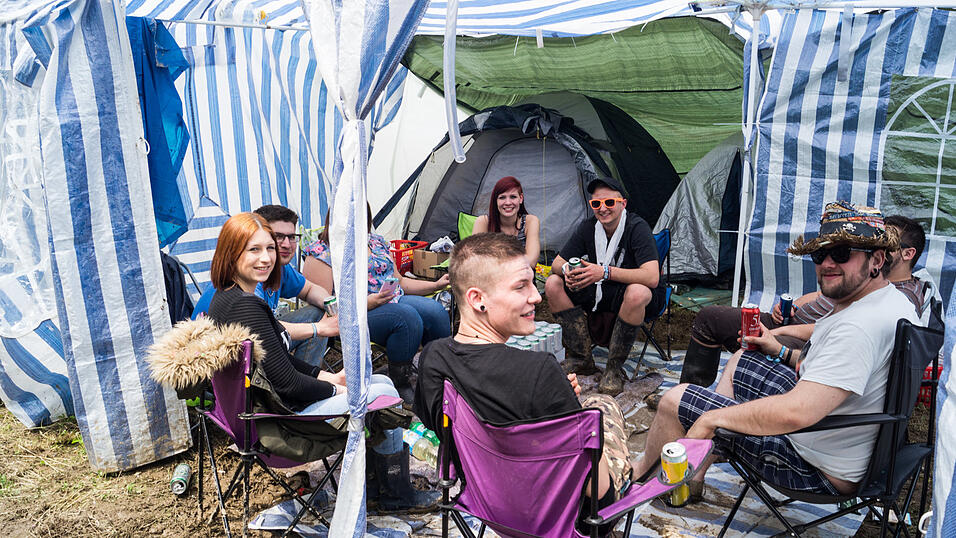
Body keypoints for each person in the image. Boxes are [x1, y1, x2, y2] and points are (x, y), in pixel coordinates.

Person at [631, 201, 919, 501]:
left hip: (812, 466)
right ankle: (701, 463)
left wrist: (714, 418)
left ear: (877, 259)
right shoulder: (892, 302)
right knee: (747, 354)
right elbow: (842, 372)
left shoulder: (858, 327)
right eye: (821, 254)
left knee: (674, 399)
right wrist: (780, 349)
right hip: (842, 437)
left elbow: (796, 412)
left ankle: (643, 475)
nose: (828, 263)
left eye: (842, 253)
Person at [205, 212, 437, 512]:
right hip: (276, 423)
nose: (266, 258)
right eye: (254, 250)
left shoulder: (228, 298)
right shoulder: (246, 305)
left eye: (269, 249)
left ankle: (377, 486)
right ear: (231, 253)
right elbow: (287, 383)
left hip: (254, 413)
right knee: (384, 394)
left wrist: (331, 378)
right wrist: (340, 392)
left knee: (379, 383)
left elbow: (279, 361)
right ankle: (393, 494)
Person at [414, 233, 632, 528]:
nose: (537, 296)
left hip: (487, 505)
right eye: (521, 287)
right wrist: (569, 403)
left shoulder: (433, 358)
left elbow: (445, 435)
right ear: (478, 299)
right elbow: (597, 491)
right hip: (564, 520)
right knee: (603, 405)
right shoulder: (541, 370)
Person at [678, 214, 930, 388]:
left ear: (907, 253)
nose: (881, 246)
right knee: (709, 317)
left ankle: (724, 416)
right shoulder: (868, 278)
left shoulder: (898, 296)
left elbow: (839, 327)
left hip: (805, 340)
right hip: (788, 323)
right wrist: (791, 305)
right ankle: (694, 390)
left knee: (753, 349)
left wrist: (780, 331)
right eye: (821, 255)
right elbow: (823, 295)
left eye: (889, 243)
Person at [302, 206, 451, 403]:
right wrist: (366, 303)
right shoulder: (321, 252)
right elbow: (323, 304)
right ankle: (401, 381)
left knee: (435, 311)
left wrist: (435, 284)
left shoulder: (376, 242)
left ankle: (439, 376)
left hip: (392, 300)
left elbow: (400, 282)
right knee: (406, 317)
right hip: (352, 316)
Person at [545, 176, 666, 396]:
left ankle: (613, 368)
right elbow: (557, 263)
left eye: (609, 202)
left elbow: (651, 277)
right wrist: (568, 272)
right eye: (596, 204)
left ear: (623, 203)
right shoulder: (588, 227)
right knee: (553, 283)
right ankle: (582, 358)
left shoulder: (636, 227)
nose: (603, 209)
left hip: (635, 295)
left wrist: (605, 272)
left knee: (637, 292)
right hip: (599, 289)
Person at [192, 204, 332, 367]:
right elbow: (266, 329)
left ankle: (308, 382)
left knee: (318, 311)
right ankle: (303, 386)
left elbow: (309, 289)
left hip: (252, 345)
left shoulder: (280, 268)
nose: (287, 244)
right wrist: (319, 328)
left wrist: (333, 306)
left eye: (292, 236)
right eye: (278, 237)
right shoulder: (247, 279)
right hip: (220, 362)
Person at [472, 176, 541, 266]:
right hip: (491, 278)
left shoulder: (530, 221)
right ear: (495, 200)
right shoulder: (483, 222)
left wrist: (494, 262)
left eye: (513, 197)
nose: (508, 202)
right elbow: (474, 259)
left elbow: (531, 261)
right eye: (502, 197)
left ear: (521, 198)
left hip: (522, 278)